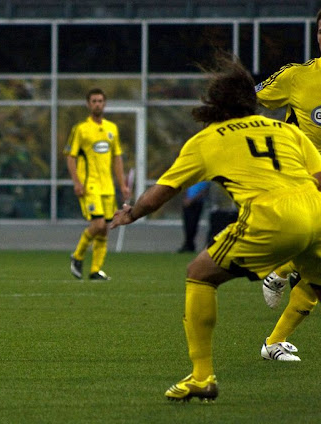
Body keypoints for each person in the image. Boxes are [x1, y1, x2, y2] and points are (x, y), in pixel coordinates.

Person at [110, 55, 321, 402]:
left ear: (215, 104)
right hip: (316, 210)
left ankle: (201, 377)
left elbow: (161, 193)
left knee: (200, 273)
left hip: (272, 218)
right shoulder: (287, 131)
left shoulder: (207, 140)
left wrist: (131, 214)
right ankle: (279, 284)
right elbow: (319, 177)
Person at [254, 8, 321, 361]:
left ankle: (282, 272)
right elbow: (253, 96)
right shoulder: (297, 76)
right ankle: (283, 270)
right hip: (303, 178)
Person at [64, 88, 130, 281]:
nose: (97, 104)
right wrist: (77, 182)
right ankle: (77, 255)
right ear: (88, 104)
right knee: (98, 223)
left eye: (100, 101)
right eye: (94, 101)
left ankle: (95, 270)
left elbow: (117, 158)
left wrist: (122, 185)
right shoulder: (81, 129)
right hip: (89, 185)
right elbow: (70, 157)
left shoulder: (112, 128)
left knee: (104, 229)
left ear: (105, 103)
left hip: (107, 186)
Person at [178, 181, 209, 253]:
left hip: (196, 203)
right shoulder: (192, 179)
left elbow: (203, 191)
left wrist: (191, 200)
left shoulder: (204, 180)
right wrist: (185, 199)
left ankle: (190, 244)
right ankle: (187, 243)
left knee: (193, 224)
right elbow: (186, 188)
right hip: (188, 203)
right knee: (187, 224)